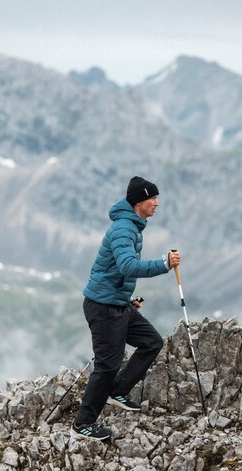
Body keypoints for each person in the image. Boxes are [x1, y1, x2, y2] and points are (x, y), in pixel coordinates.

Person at [70, 176, 181, 441]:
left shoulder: (133, 226)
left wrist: (126, 299)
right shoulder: (123, 229)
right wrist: (164, 263)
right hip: (103, 307)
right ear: (139, 201)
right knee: (107, 365)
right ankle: (82, 424)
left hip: (117, 304)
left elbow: (118, 272)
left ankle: (117, 392)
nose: (157, 203)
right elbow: (128, 267)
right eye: (153, 199)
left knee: (151, 342)